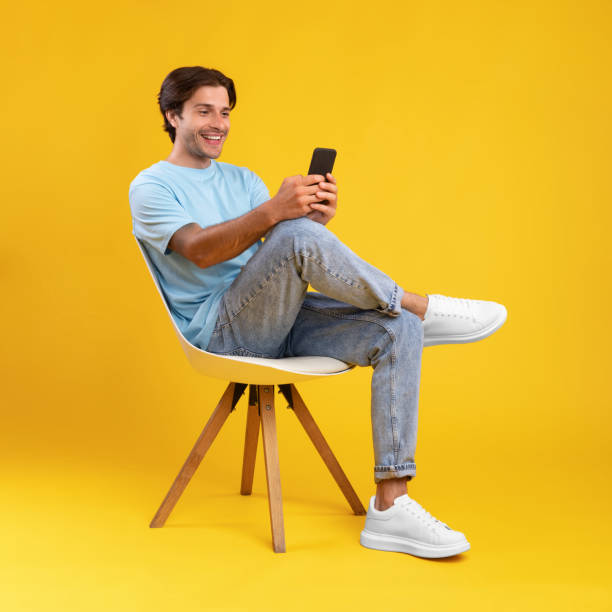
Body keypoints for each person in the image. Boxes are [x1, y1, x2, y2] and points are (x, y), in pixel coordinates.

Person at [129, 66, 508, 559]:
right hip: (222, 332)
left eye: (225, 112)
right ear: (172, 115)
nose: (218, 122)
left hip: (276, 316)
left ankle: (391, 507)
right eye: (204, 111)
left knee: (396, 331)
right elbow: (200, 250)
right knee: (309, 246)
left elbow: (272, 258)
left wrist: (310, 221)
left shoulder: (242, 179)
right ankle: (419, 303)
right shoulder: (151, 186)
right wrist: (280, 218)